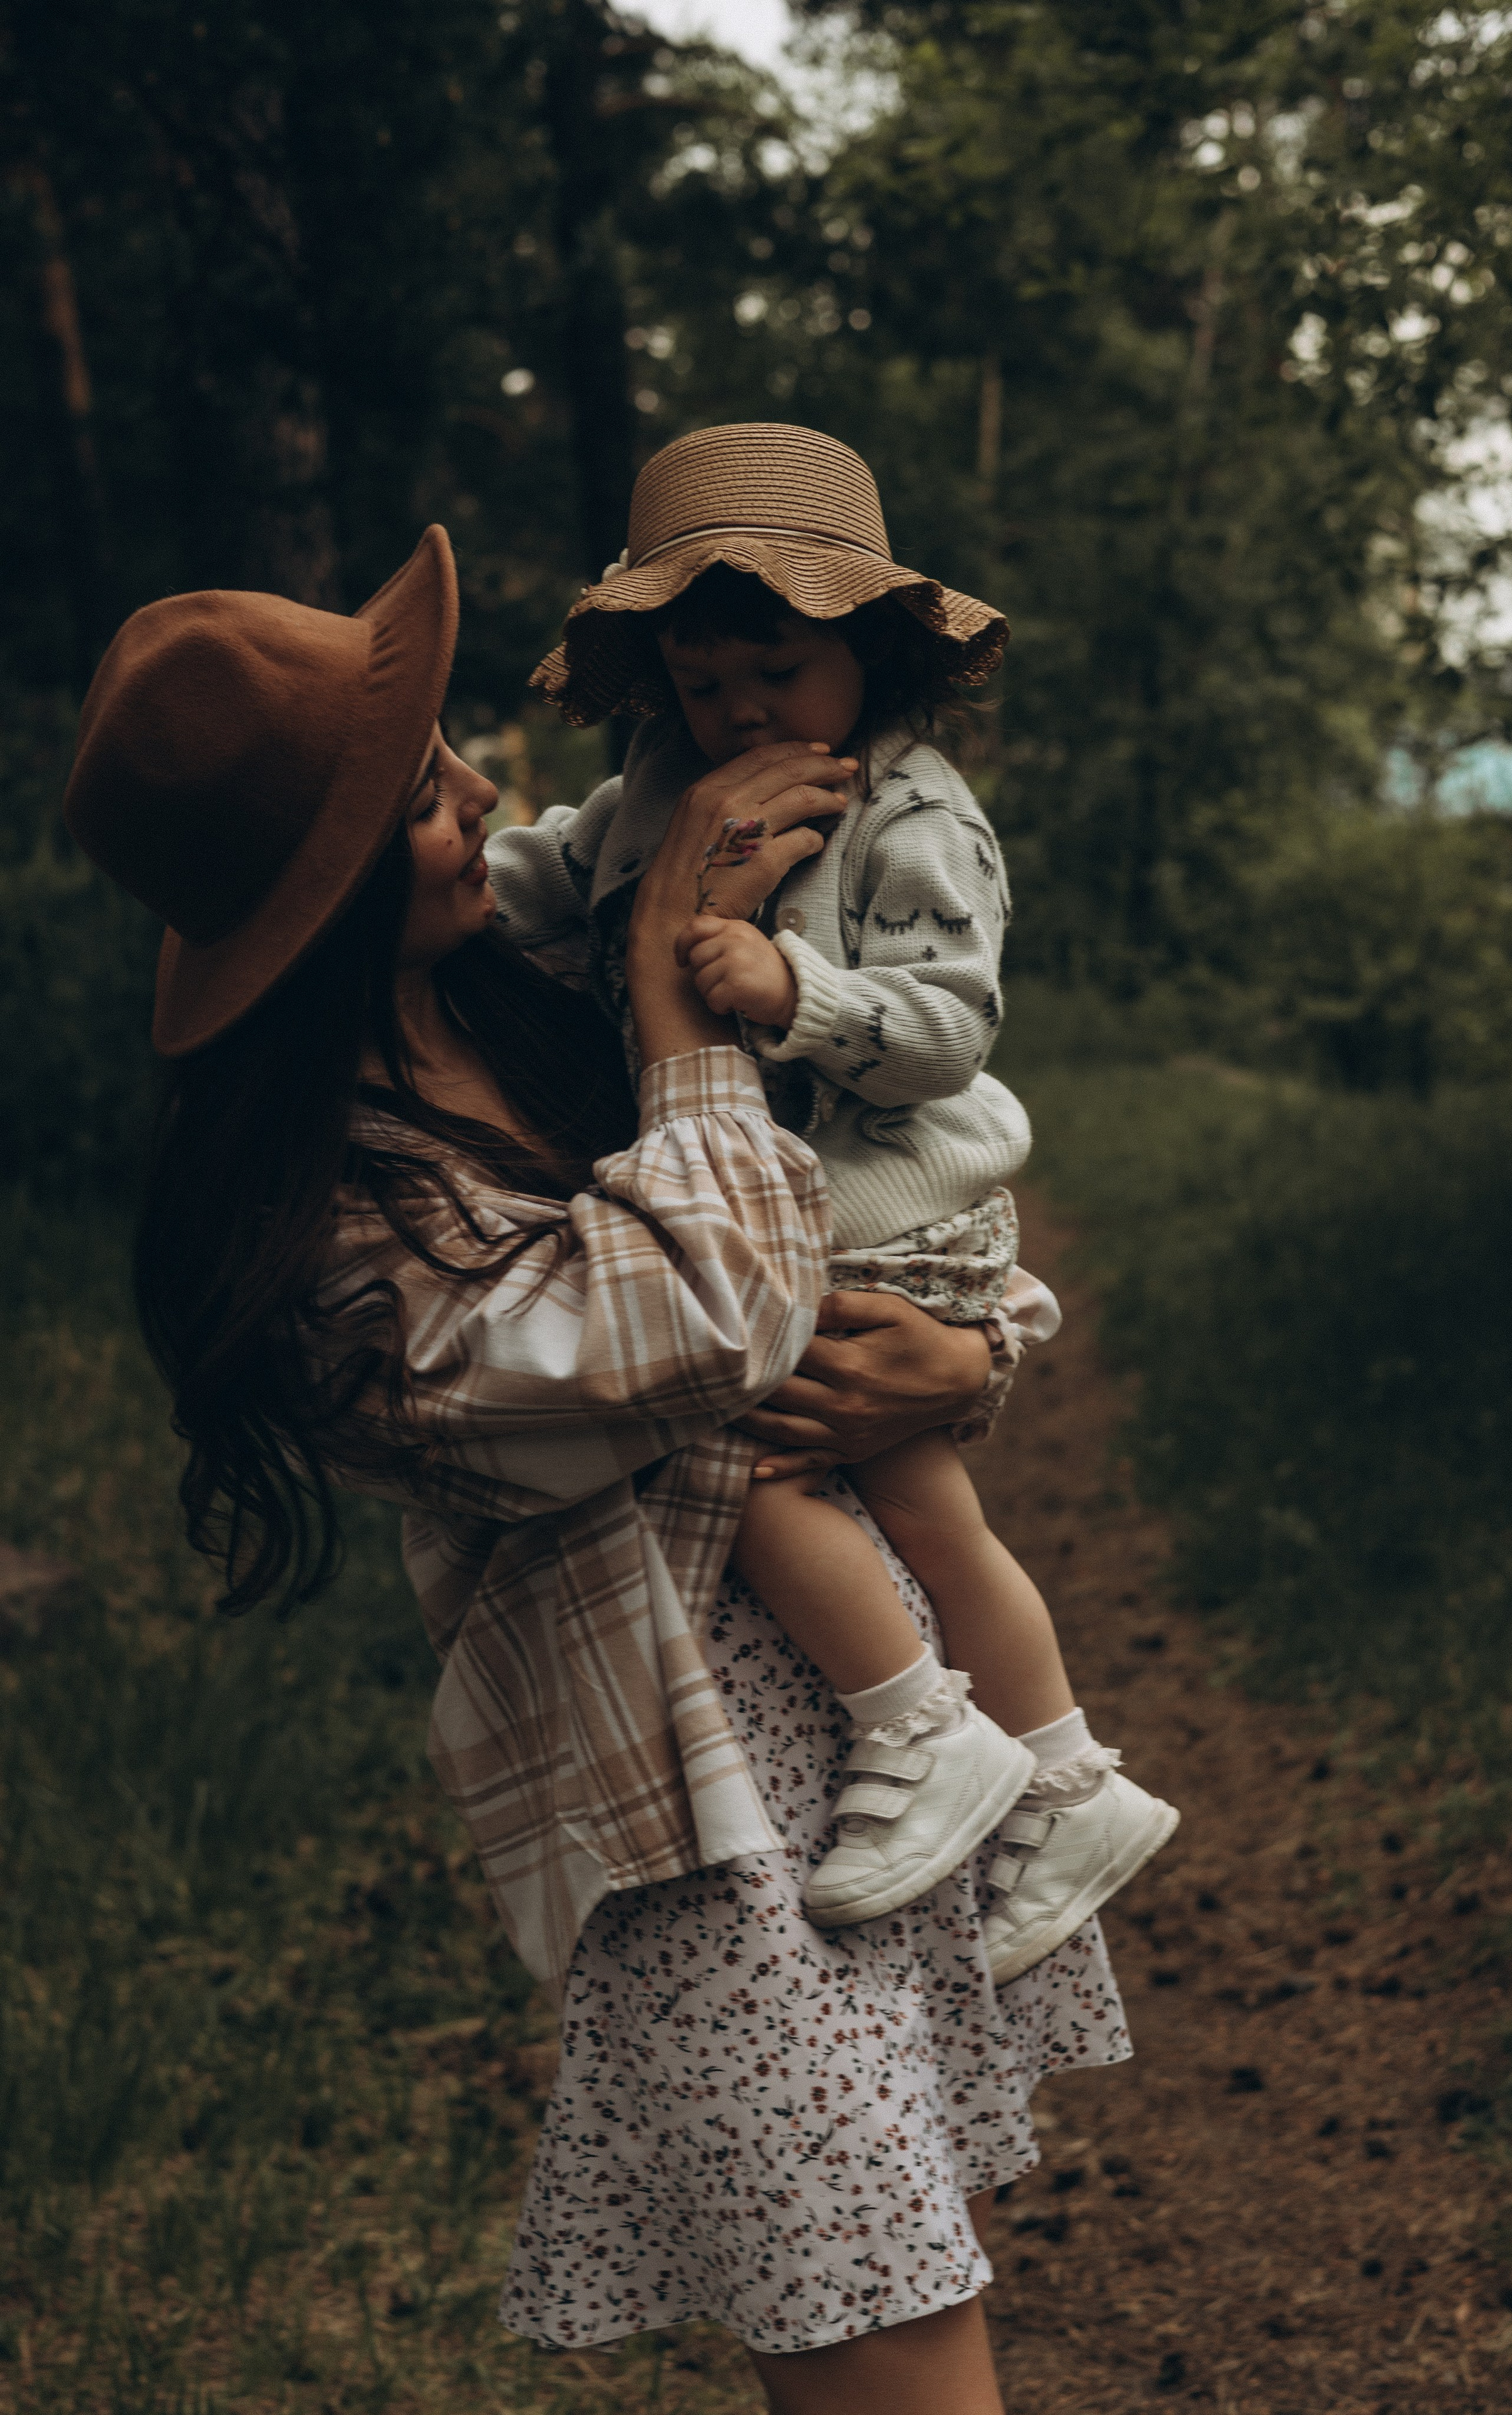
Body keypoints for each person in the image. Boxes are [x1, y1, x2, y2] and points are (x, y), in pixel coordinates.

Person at [64, 526, 1131, 2414]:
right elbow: (707, 1321)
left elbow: (879, 1220)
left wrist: (967, 1358)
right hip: (709, 1838)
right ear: (315, 899)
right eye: (419, 800)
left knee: (928, 2300)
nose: (484, 789)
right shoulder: (329, 1245)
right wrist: (665, 1001)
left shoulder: (518, 1004)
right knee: (897, 2359)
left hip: (897, 1747)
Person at [488, 421, 1178, 1978]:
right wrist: (463, 890)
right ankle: (1067, 1779)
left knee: (749, 1450)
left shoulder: (911, 812)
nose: (736, 708)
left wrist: (792, 985)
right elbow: (550, 878)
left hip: (882, 1206)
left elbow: (948, 1028)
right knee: (925, 1507)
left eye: (776, 671)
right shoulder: (659, 782)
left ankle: (919, 1728)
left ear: (864, 651)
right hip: (778, 1205)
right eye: (700, 675)